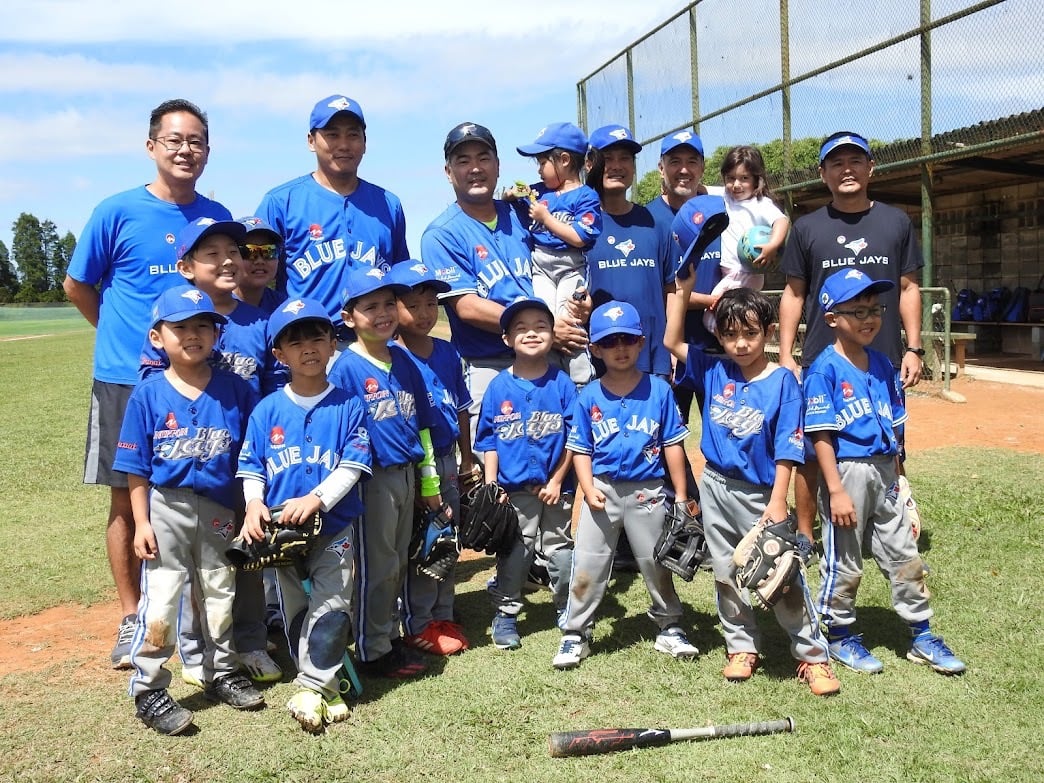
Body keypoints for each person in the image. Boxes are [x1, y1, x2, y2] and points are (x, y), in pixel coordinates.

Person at [63, 98, 232, 669]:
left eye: (196, 141)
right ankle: (132, 615)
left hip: (199, 376)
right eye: (175, 140)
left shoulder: (215, 216)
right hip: (126, 379)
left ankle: (202, 617)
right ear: (152, 145)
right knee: (126, 496)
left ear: (208, 150)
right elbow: (78, 285)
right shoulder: (117, 211)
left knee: (203, 489)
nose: (186, 150)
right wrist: (124, 339)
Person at [664, 244, 840, 696]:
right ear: (720, 337)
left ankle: (812, 655)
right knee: (726, 571)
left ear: (768, 332)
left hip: (762, 494)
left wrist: (778, 501)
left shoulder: (783, 382)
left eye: (750, 333)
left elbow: (789, 450)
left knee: (780, 572)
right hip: (716, 486)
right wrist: (684, 288)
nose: (741, 343)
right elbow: (670, 341)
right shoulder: (714, 371)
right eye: (730, 335)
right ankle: (741, 646)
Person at [137, 217, 283, 686]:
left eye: (234, 251)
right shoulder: (170, 320)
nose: (227, 260)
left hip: (247, 463)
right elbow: (155, 389)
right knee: (193, 569)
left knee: (247, 556)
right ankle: (197, 651)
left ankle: (251, 641)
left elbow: (276, 390)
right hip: (193, 464)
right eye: (212, 253)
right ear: (186, 267)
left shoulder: (260, 322)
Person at [115, 286, 264, 735]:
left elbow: (251, 456)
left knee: (220, 593)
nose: (193, 334)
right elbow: (135, 468)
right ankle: (149, 687)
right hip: (166, 507)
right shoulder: (147, 394)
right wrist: (141, 522)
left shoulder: (235, 389)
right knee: (162, 598)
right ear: (157, 337)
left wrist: (249, 507)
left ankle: (224, 671)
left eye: (203, 325)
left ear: (217, 335)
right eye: (180, 327)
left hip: (220, 509)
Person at [803, 268, 964, 676]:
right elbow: (821, 436)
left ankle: (922, 633)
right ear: (832, 318)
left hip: (885, 472)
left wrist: (900, 481)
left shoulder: (882, 364)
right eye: (857, 311)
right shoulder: (824, 370)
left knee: (905, 553)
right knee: (845, 558)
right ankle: (839, 634)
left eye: (875, 309)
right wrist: (835, 490)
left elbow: (893, 428)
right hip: (847, 472)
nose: (869, 318)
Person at [778, 130, 925, 544]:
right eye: (837, 163)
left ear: (871, 168)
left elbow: (909, 287)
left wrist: (914, 348)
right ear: (823, 173)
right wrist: (786, 354)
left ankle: (888, 528)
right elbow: (794, 293)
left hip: (882, 359)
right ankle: (805, 534)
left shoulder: (896, 222)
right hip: (823, 361)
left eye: (856, 161)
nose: (847, 170)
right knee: (812, 448)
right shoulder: (807, 227)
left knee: (888, 443)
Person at [237, 297, 373, 733]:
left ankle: (312, 686)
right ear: (279, 354)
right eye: (295, 342)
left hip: (333, 526)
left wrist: (317, 498)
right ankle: (325, 688)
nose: (308, 348)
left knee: (332, 606)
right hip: (283, 532)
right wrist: (254, 503)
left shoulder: (349, 405)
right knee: (296, 609)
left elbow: (352, 465)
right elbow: (252, 467)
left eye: (317, 337)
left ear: (333, 344)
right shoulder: (267, 410)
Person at [552, 301, 699, 670]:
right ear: (595, 349)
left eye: (627, 339)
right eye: (609, 342)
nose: (620, 348)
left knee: (655, 561)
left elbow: (673, 446)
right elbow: (580, 449)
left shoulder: (660, 391)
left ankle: (669, 625)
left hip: (648, 491)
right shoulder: (589, 396)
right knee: (589, 561)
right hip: (601, 490)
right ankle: (576, 632)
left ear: (641, 343)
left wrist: (681, 494)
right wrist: (587, 487)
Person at [422, 122, 589, 446]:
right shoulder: (441, 234)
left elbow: (567, 260)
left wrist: (582, 299)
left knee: (563, 455)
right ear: (448, 172)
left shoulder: (524, 214)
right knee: (495, 465)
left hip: (549, 359)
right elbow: (468, 307)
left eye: (483, 158)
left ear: (498, 166)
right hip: (490, 364)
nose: (475, 168)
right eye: (463, 160)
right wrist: (541, 328)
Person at [327, 266, 444, 678]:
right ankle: (373, 649)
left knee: (396, 561)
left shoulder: (405, 360)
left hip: (407, 474)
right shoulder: (345, 368)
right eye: (370, 306)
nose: (382, 314)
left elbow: (423, 426)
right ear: (348, 317)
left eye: (388, 304)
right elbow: (338, 433)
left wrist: (429, 479)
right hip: (370, 479)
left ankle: (387, 635)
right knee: (375, 567)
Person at [256, 95, 410, 335]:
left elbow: (401, 280)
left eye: (353, 135)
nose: (344, 145)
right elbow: (252, 279)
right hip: (307, 340)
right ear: (311, 141)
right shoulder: (281, 202)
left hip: (377, 341)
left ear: (365, 143)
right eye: (332, 134)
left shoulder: (389, 204)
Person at [475, 297, 577, 650]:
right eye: (521, 328)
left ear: (552, 334)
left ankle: (566, 607)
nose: (531, 333)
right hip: (514, 489)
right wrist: (492, 486)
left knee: (560, 549)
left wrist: (557, 480)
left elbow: (575, 438)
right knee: (517, 550)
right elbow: (488, 440)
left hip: (557, 486)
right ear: (506, 339)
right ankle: (506, 613)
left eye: (540, 327)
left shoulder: (562, 384)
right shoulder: (498, 387)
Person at [389, 260, 475, 656]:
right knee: (422, 542)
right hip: (414, 465)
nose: (424, 313)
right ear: (393, 308)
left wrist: (467, 457)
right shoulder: (392, 356)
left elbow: (462, 408)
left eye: (430, 303)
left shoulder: (446, 351)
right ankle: (419, 621)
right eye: (412, 305)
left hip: (446, 458)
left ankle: (444, 612)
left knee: (447, 538)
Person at [506, 122, 602, 384]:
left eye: (542, 162)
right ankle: (548, 378)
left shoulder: (586, 196)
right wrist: (511, 193)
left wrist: (546, 218)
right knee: (544, 321)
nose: (539, 169)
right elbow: (514, 195)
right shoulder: (540, 191)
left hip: (571, 266)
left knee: (568, 321)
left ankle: (581, 380)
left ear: (564, 160)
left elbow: (580, 238)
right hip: (540, 264)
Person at [583, 124, 675, 379]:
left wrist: (672, 347)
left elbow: (671, 291)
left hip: (651, 361)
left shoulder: (655, 223)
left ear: (634, 167)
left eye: (624, 158)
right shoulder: (577, 228)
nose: (616, 166)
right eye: (607, 158)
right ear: (589, 165)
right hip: (596, 363)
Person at [702, 145, 789, 333]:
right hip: (731, 273)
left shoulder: (761, 203)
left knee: (711, 314)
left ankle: (728, 339)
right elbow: (701, 189)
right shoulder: (725, 196)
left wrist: (773, 245)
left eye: (744, 178)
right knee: (736, 314)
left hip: (744, 273)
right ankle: (735, 337)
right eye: (730, 178)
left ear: (757, 179)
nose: (736, 185)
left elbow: (782, 221)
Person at [234, 217, 287, 315]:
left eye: (269, 251)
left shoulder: (285, 309)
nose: (260, 261)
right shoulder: (216, 307)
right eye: (248, 252)